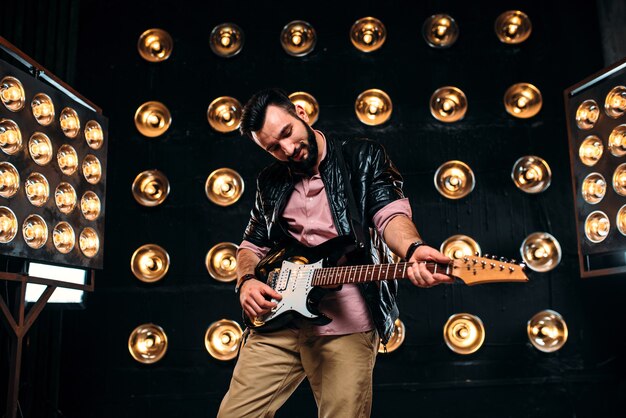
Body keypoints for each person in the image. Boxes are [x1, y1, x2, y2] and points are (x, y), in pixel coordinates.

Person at [217, 88, 453, 418]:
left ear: (301, 112)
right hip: (279, 320)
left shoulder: (361, 156)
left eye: (287, 133)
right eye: (273, 147)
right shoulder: (269, 181)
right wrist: (246, 282)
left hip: (347, 325)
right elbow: (252, 246)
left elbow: (390, 215)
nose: (287, 150)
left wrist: (413, 249)